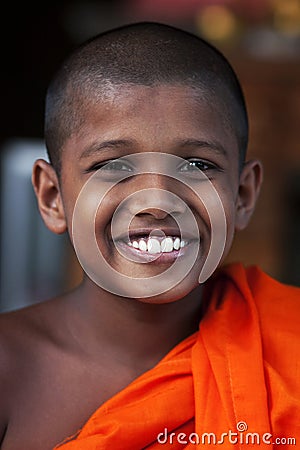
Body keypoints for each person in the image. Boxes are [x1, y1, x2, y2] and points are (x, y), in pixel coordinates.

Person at [0, 21, 299, 450]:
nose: (156, 201)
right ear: (52, 197)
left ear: (243, 194)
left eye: (197, 165)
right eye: (113, 166)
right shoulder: (9, 369)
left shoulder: (289, 352)